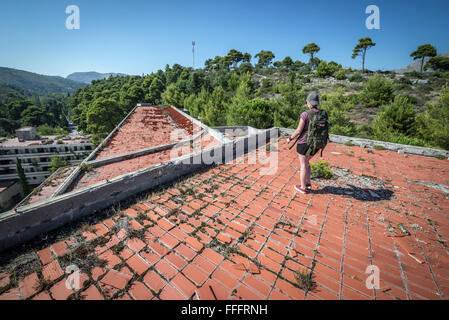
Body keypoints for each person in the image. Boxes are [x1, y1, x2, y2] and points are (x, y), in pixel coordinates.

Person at [287, 92, 328, 194]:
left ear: (308, 102)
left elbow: (298, 131)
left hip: (304, 144)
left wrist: (290, 138)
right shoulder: (324, 114)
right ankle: (308, 184)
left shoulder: (305, 114)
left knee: (303, 165)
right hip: (317, 144)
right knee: (307, 163)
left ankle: (303, 187)